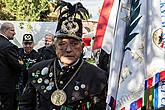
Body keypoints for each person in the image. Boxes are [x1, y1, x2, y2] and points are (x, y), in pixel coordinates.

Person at [19, 2, 108, 110]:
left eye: (74, 44)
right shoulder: (36, 70)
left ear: (82, 47)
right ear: (55, 47)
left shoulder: (98, 77)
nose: (68, 49)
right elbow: (26, 105)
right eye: (62, 44)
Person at [0, 22, 23, 110]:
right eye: (12, 30)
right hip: (6, 88)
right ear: (6, 30)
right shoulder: (9, 47)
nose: (14, 33)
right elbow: (18, 65)